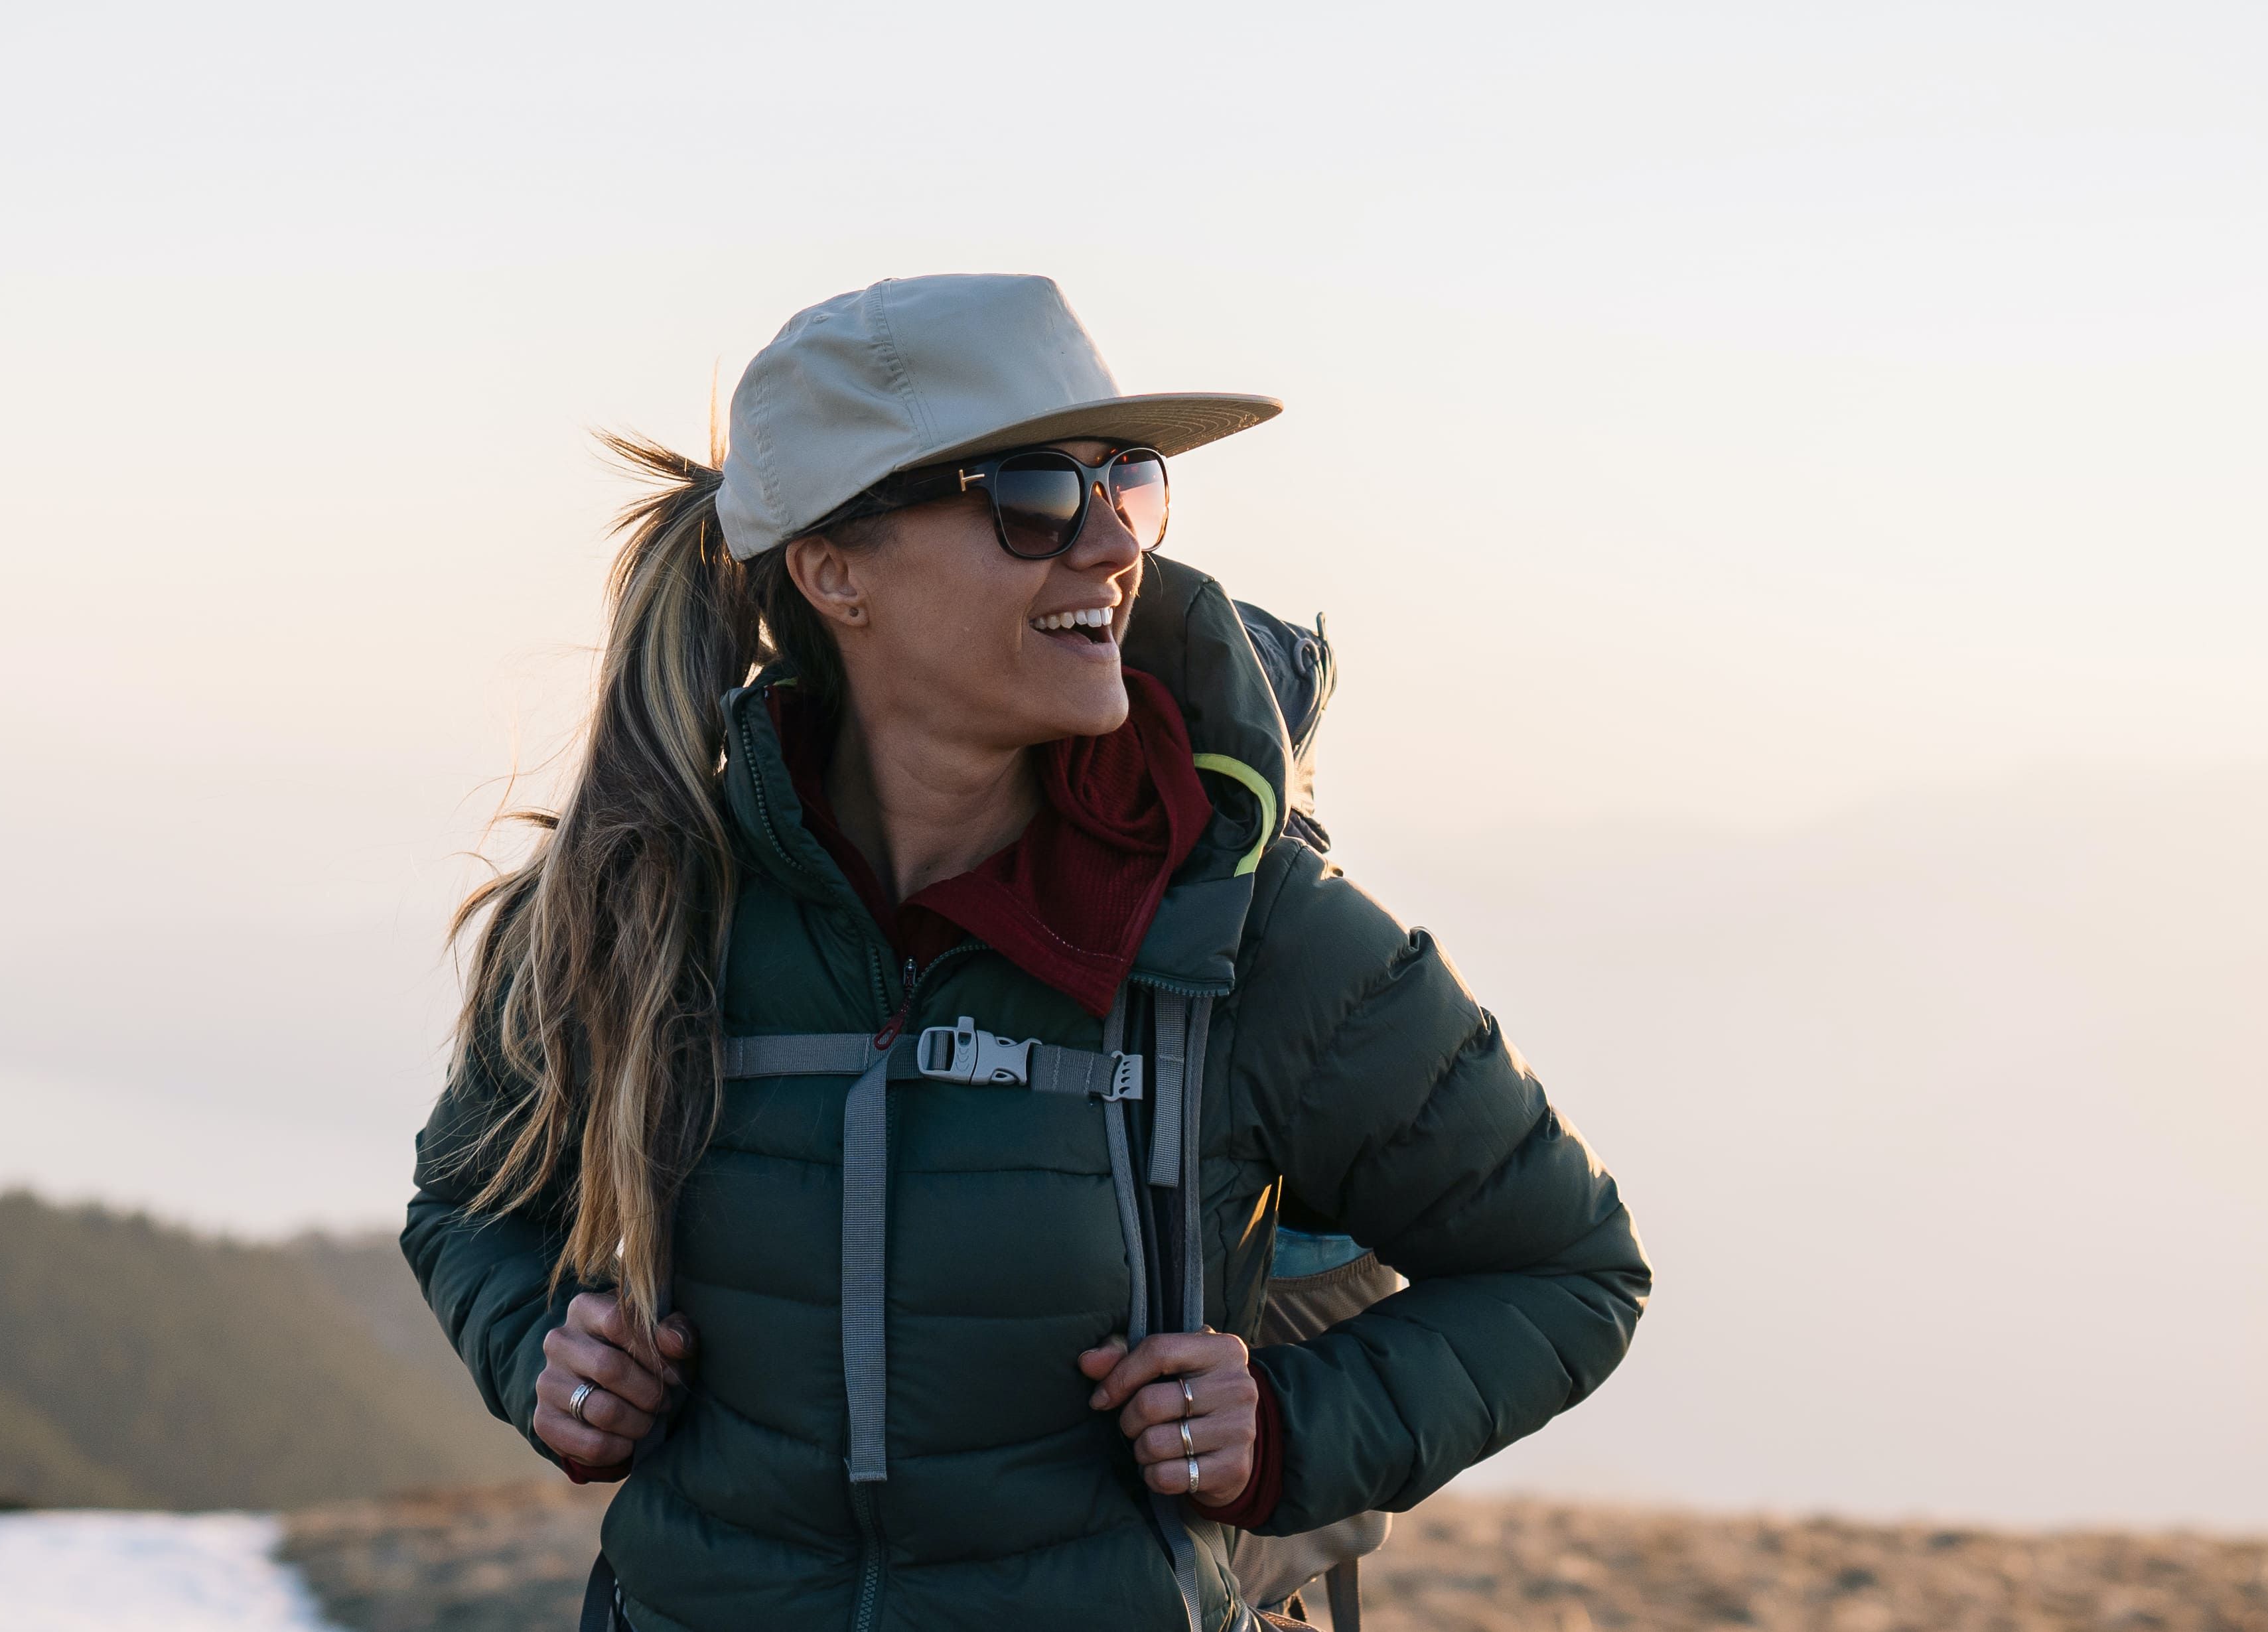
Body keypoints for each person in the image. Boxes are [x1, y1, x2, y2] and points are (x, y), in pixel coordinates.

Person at [404, 273, 1650, 1632]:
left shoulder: (1247, 929)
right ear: (834, 571)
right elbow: (469, 1202)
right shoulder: (643, 908)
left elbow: (1569, 1266)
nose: (1111, 543)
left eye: (1127, 482)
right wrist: (547, 1352)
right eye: (1034, 499)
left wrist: (1283, 1428)